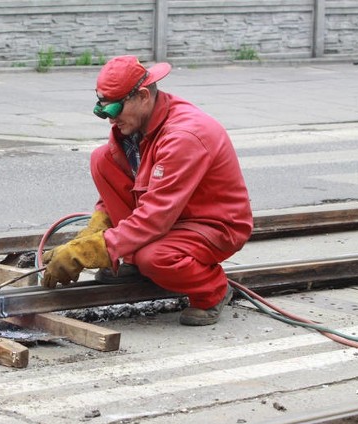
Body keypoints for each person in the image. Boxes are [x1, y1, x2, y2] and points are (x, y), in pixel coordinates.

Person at [42, 55, 253, 326]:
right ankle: (130, 261)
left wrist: (89, 251)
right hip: (168, 215)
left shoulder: (184, 137)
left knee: (154, 258)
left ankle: (214, 290)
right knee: (101, 158)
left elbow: (154, 217)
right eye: (104, 111)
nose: (110, 120)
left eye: (115, 109)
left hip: (212, 224)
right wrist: (96, 228)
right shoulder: (135, 126)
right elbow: (128, 190)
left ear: (142, 96)